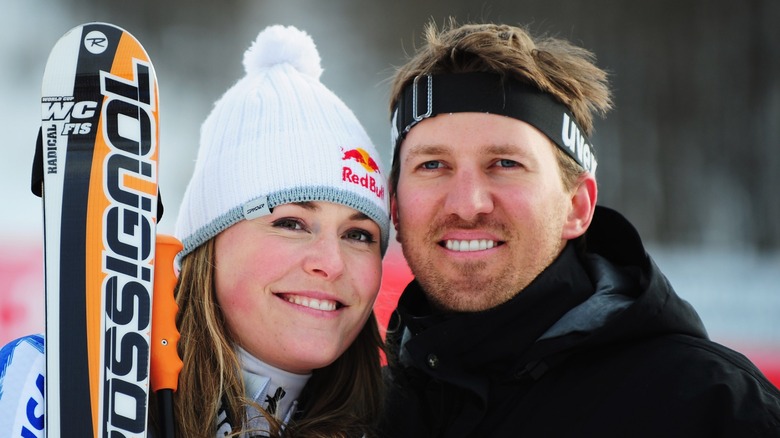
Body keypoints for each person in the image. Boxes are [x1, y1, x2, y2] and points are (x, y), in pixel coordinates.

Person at [379, 19, 780, 437]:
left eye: (505, 164)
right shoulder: (359, 417)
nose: (467, 204)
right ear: (396, 207)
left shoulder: (713, 410)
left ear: (577, 206)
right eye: (432, 165)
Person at [1, 25, 390, 438]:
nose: (331, 263)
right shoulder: (47, 389)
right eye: (290, 223)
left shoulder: (400, 419)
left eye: (359, 235)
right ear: (210, 243)